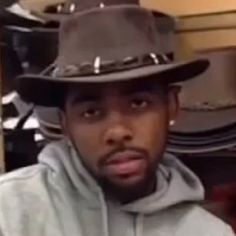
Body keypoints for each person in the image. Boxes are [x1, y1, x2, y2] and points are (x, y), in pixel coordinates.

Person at [0, 0, 234, 235]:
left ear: (172, 106)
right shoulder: (11, 212)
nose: (117, 131)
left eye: (138, 103)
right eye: (91, 111)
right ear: (65, 125)